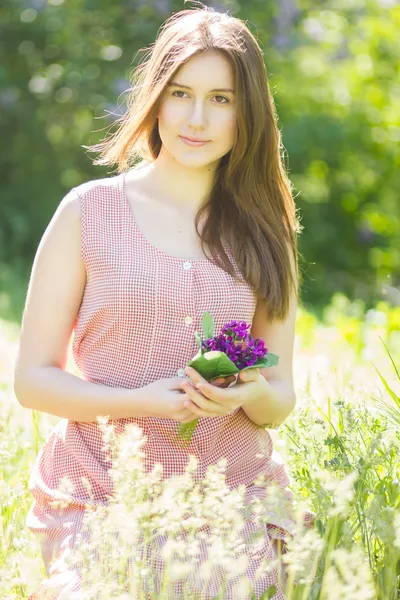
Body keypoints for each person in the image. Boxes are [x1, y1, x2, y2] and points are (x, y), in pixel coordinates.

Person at [14, 4, 315, 599]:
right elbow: (32, 381)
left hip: (228, 499)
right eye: (181, 93)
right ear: (156, 98)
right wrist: (138, 402)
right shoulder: (88, 212)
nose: (197, 118)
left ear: (247, 112)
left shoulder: (265, 231)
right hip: (102, 492)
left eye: (222, 99)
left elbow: (279, 395)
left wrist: (249, 395)